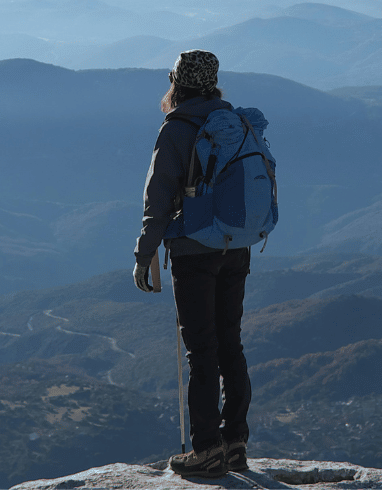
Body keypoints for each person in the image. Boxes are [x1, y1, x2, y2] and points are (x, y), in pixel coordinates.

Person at [133, 49, 254, 479]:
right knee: (230, 344)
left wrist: (144, 255)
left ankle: (206, 450)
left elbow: (158, 198)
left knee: (202, 351)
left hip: (193, 254)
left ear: (176, 83)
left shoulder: (178, 127)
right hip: (235, 248)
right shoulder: (234, 121)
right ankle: (235, 442)